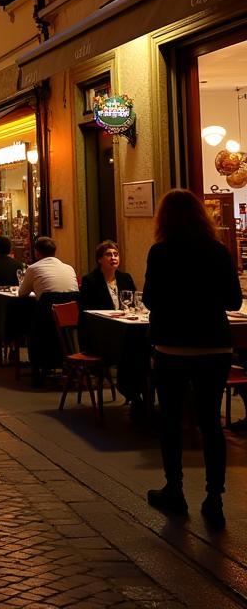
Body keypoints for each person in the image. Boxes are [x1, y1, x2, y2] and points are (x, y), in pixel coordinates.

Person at [143, 189, 241, 527]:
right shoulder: (218, 252)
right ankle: (214, 496)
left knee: (170, 421)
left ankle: (175, 489)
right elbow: (233, 301)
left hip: (172, 347)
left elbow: (151, 299)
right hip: (214, 346)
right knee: (211, 422)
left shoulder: (160, 253)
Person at [18, 236, 79, 384]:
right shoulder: (68, 267)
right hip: (72, 318)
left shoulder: (33, 268)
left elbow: (22, 293)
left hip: (46, 316)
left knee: (27, 320)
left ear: (37, 253)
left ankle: (39, 366)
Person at [79, 241, 136, 311]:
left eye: (116, 254)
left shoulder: (126, 278)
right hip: (102, 321)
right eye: (109, 255)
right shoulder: (89, 281)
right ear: (99, 259)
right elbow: (86, 310)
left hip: (125, 320)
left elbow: (134, 304)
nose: (113, 258)